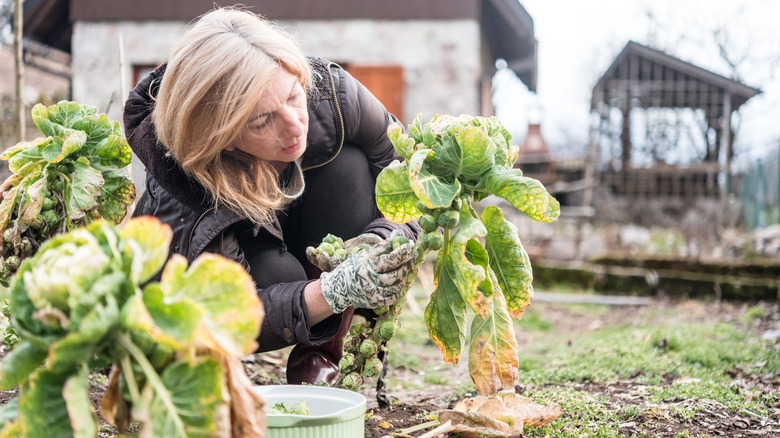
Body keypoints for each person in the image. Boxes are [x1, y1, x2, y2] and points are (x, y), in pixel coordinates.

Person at [123, 7, 421, 385]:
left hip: (301, 230)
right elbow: (227, 314)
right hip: (243, 268)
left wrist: (382, 241)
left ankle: (324, 358)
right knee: (279, 276)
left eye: (294, 97)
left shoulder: (332, 95)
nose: (296, 125)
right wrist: (332, 292)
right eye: (262, 121)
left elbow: (412, 179)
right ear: (223, 138)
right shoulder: (183, 181)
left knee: (350, 167)